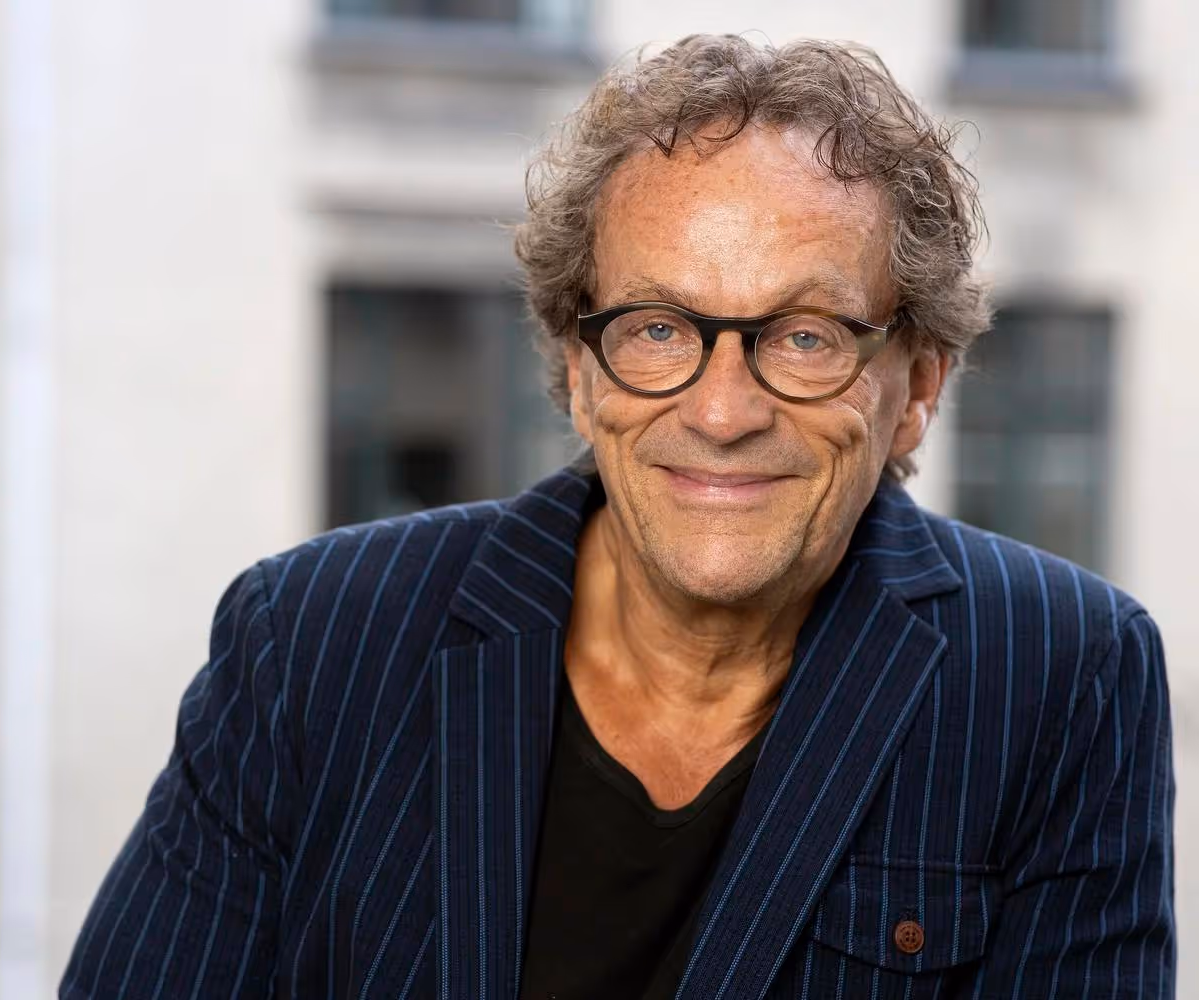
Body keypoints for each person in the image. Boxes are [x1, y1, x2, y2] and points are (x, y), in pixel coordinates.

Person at [60, 35, 1174, 999]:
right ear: (580, 371)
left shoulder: (1063, 673)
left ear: (917, 387)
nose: (723, 412)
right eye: (655, 330)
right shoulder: (311, 640)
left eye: (806, 337)